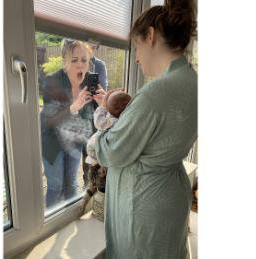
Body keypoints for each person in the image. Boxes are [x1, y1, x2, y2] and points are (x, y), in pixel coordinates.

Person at [94, 0, 197, 257]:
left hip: (144, 207)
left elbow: (110, 152)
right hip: (172, 194)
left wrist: (106, 118)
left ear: (150, 36)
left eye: (136, 47)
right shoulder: (194, 82)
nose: (136, 59)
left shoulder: (155, 93)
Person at [40, 39, 106, 209]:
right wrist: (74, 107)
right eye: (74, 60)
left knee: (70, 184)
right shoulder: (51, 81)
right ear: (65, 61)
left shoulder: (89, 83)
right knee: (56, 186)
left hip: (74, 141)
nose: (80, 66)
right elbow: (49, 121)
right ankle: (52, 225)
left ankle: (70, 218)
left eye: (84, 60)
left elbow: (97, 117)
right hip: (52, 141)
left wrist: (104, 102)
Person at [81, 90, 131, 214]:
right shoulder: (122, 120)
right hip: (102, 153)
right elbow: (115, 109)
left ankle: (90, 188)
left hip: (94, 150)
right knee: (99, 174)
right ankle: (92, 186)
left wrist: (102, 106)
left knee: (96, 174)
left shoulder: (112, 121)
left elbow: (99, 122)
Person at [81, 42, 110, 188]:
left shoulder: (99, 65)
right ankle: (87, 187)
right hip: (78, 116)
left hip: (95, 117)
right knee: (84, 156)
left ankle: (94, 187)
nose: (91, 49)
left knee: (93, 156)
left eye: (94, 46)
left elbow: (102, 90)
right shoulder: (75, 63)